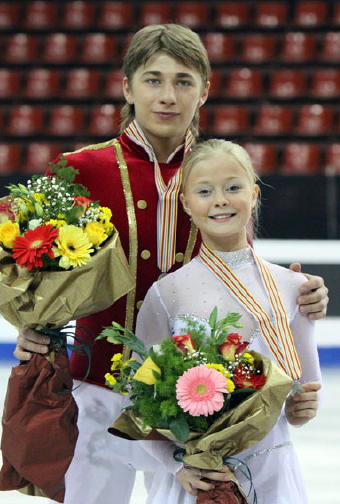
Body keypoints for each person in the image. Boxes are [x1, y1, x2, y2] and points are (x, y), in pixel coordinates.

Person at [12, 25, 327, 504]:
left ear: (204, 90)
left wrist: (298, 290)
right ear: (127, 87)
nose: (167, 96)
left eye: (183, 81)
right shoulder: (82, 168)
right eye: (153, 80)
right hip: (96, 388)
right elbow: (38, 269)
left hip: (190, 407)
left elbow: (238, 260)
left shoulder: (217, 170)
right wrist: (30, 325)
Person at [135, 138, 322, 504]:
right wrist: (177, 466)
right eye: (205, 191)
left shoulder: (294, 288)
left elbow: (303, 394)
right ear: (187, 204)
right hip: (197, 478)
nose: (220, 199)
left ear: (253, 194)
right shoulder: (166, 293)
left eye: (233, 187)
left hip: (271, 472)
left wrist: (304, 410)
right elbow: (139, 401)